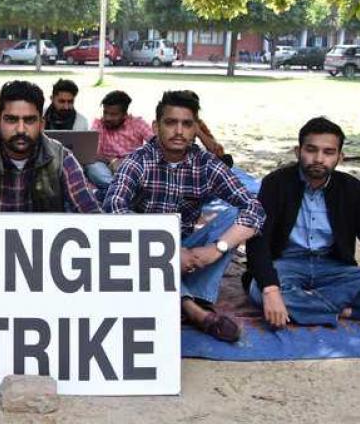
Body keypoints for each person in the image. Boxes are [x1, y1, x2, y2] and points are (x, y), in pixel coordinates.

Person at [103, 90, 265, 342]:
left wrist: (216, 247)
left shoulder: (206, 164)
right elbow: (113, 207)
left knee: (237, 214)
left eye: (187, 124)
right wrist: (165, 249)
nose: (179, 131)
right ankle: (194, 310)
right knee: (120, 240)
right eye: (171, 123)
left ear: (195, 129)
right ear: (156, 126)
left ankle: (179, 298)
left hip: (190, 256)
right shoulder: (138, 162)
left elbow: (253, 208)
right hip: (143, 253)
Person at [245, 117, 360, 328]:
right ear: (298, 152)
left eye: (328, 152)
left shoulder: (350, 188)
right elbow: (257, 238)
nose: (318, 158)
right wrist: (271, 289)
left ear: (340, 157)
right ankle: (351, 311)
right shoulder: (276, 183)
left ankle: (306, 306)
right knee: (258, 290)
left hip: (333, 267)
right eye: (311, 150)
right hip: (286, 265)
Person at [0, 80, 100, 213]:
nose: (21, 129)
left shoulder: (61, 158)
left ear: (41, 124)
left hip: (43, 250)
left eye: (29, 120)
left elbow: (91, 214)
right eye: (11, 120)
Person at [86, 90, 154, 192]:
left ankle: (110, 191)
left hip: (132, 167)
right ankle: (122, 191)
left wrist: (127, 163)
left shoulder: (137, 123)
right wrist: (112, 161)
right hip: (106, 168)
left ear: (124, 114)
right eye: (105, 112)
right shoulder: (98, 124)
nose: (107, 118)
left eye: (113, 114)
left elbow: (155, 144)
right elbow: (92, 153)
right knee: (92, 166)